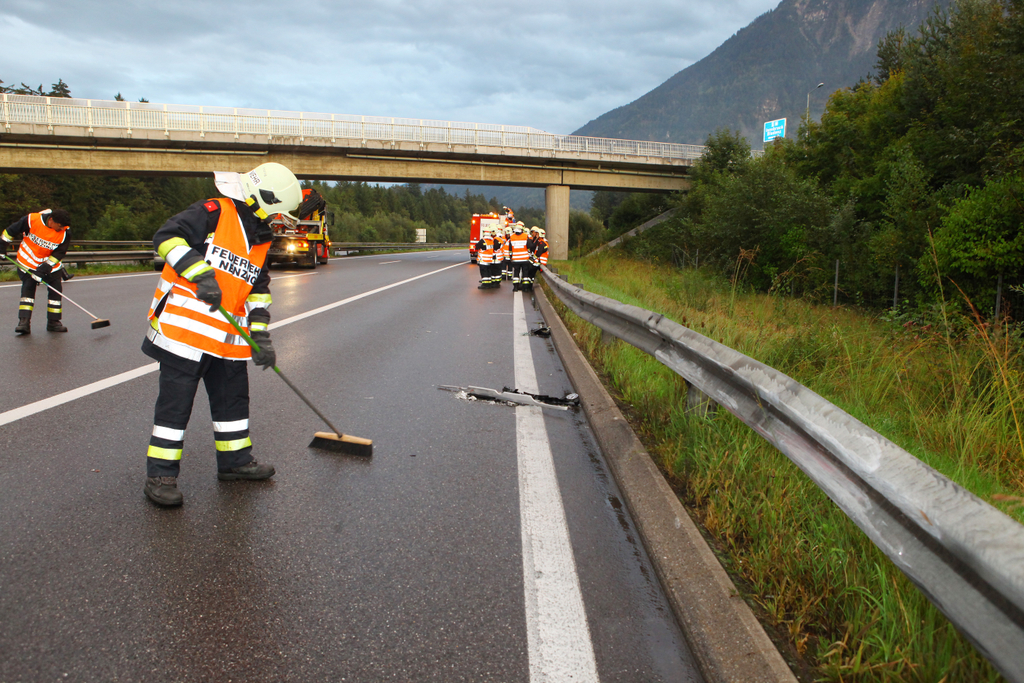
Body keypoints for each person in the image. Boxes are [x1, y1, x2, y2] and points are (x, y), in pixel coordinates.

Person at [142, 162, 302, 507]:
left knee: (233, 402)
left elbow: (257, 291)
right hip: (184, 335)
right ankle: (160, 476)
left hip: (227, 341)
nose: (279, 221)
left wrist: (260, 336)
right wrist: (200, 274)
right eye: (279, 214)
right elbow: (167, 237)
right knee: (175, 408)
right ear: (264, 199)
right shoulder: (214, 212)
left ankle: (235, 462)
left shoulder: (261, 239)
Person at [0, 208, 73, 334]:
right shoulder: (32, 220)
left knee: (55, 292)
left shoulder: (65, 231)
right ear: (51, 220)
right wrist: (1, 246)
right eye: (60, 226)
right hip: (28, 261)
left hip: (50, 266)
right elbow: (9, 231)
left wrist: (45, 268)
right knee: (28, 289)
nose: (61, 229)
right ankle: (24, 322)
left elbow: (60, 252)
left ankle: (54, 323)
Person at [507, 222, 531, 291]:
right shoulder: (526, 236)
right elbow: (529, 246)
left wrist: (511, 257)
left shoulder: (512, 237)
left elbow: (510, 249)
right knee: (525, 273)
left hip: (515, 259)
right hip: (525, 259)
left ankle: (515, 287)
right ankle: (525, 288)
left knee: (516, 273)